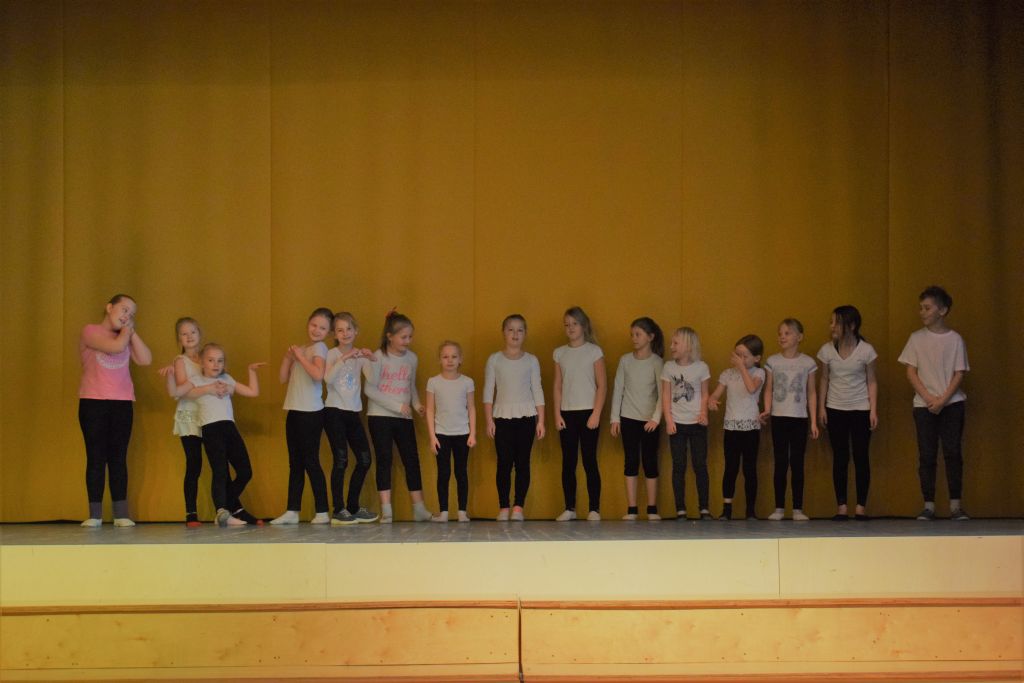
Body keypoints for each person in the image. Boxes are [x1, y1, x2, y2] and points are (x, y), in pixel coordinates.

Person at [168, 344, 265, 526]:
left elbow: (253, 392)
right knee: (220, 472)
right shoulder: (196, 380)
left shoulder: (226, 379)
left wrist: (251, 371)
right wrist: (171, 376)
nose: (216, 364)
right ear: (202, 362)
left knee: (245, 471)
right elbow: (175, 392)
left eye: (220, 360)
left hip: (230, 428)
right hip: (211, 429)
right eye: (211, 360)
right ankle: (221, 511)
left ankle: (227, 503)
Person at [78, 294, 152, 527]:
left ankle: (121, 514)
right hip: (93, 402)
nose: (127, 315)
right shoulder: (90, 331)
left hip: (122, 403)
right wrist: (126, 333)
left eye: (132, 313)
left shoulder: (126, 335)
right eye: (124, 309)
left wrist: (132, 332)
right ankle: (95, 515)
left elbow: (145, 359)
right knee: (96, 457)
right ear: (109, 307)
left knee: (118, 458)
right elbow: (115, 347)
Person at [898, 286, 970, 521]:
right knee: (927, 455)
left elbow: (959, 373)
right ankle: (928, 505)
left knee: (953, 453)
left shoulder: (955, 339)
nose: (922, 312)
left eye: (927, 308)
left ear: (943, 310)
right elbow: (911, 372)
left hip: (952, 404)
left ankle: (955, 506)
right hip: (924, 406)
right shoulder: (916, 338)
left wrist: (943, 400)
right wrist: (929, 399)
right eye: (921, 308)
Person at [365, 309, 434, 523]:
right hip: (380, 416)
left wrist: (417, 405)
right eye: (403, 337)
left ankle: (419, 508)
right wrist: (397, 406)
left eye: (410, 337)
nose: (408, 341)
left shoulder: (412, 358)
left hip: (404, 418)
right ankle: (386, 510)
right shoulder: (377, 357)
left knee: (411, 459)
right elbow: (369, 390)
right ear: (390, 336)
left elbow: (410, 386)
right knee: (384, 459)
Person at [271, 308, 333, 525]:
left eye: (322, 328)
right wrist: (288, 358)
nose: (316, 330)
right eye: (314, 325)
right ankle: (292, 510)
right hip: (294, 410)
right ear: (308, 324)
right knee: (295, 463)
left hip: (311, 413)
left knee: (310, 461)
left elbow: (318, 374)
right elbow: (282, 378)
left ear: (328, 332)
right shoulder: (304, 348)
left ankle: (322, 511)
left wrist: (299, 357)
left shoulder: (320, 347)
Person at [817, 305, 878, 521]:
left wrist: (873, 409)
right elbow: (824, 379)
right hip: (835, 409)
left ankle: (861, 507)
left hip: (861, 409)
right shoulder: (827, 350)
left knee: (861, 457)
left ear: (851, 326)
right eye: (831, 322)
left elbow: (871, 380)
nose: (832, 326)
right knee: (840, 458)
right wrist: (821, 407)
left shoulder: (866, 350)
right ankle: (841, 506)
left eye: (837, 322)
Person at [483, 314, 546, 521]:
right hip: (502, 418)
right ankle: (503, 506)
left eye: (520, 330)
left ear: (525, 334)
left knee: (522, 463)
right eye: (511, 329)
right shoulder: (494, 359)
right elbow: (488, 391)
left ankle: (518, 507)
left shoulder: (531, 360)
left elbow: (537, 390)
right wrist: (489, 420)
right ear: (504, 333)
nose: (515, 334)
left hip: (526, 417)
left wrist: (541, 421)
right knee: (504, 463)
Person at [323, 312, 379, 525]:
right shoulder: (332, 353)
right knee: (341, 460)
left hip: (353, 412)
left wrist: (371, 359)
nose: (345, 333)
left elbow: (373, 379)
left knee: (364, 460)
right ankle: (339, 509)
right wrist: (344, 358)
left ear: (356, 331)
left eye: (349, 329)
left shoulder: (361, 356)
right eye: (340, 330)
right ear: (334, 334)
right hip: (334, 412)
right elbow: (328, 379)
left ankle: (353, 506)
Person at [761, 319, 818, 521]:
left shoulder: (808, 363)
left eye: (787, 333)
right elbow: (768, 388)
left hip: (799, 418)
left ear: (799, 337)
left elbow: (811, 392)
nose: (782, 337)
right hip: (779, 417)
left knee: (797, 463)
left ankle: (797, 508)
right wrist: (767, 409)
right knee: (780, 462)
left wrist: (813, 421)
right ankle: (778, 508)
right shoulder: (773, 361)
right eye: (780, 333)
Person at [553, 306, 606, 521]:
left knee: (589, 460)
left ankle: (594, 508)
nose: (570, 328)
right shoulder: (559, 353)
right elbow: (558, 386)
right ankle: (570, 508)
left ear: (583, 326)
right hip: (567, 413)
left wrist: (596, 414)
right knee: (568, 462)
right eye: (567, 324)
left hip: (588, 413)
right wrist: (557, 414)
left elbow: (602, 386)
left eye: (574, 324)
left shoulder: (594, 351)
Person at [610, 317, 665, 521]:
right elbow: (618, 389)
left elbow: (662, 394)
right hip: (628, 418)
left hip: (650, 421)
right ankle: (632, 508)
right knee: (630, 461)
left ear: (650, 337)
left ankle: (652, 508)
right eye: (632, 334)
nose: (634, 338)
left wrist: (656, 418)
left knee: (650, 461)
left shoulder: (657, 362)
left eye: (638, 334)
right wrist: (615, 418)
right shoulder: (625, 360)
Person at [709, 335, 765, 520]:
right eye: (737, 355)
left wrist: (742, 368)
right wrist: (712, 401)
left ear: (756, 358)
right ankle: (727, 509)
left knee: (749, 469)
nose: (740, 359)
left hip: (750, 428)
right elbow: (716, 394)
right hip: (732, 428)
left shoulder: (759, 373)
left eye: (744, 356)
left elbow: (751, 389)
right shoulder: (727, 374)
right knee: (730, 468)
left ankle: (751, 510)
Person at [160, 317, 207, 527]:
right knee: (194, 463)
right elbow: (182, 390)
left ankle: (228, 508)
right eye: (184, 334)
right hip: (189, 415)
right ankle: (191, 512)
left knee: (218, 462)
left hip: (208, 413)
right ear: (178, 338)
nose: (189, 337)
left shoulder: (207, 357)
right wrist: (207, 388)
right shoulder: (180, 360)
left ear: (199, 334)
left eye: (192, 332)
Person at [660, 327, 711, 521]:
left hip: (697, 424)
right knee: (678, 466)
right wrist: (668, 419)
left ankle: (704, 508)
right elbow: (666, 395)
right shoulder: (668, 367)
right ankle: (680, 509)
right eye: (671, 343)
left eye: (675, 343)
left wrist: (703, 413)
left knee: (700, 465)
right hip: (677, 425)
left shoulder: (702, 367)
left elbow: (704, 394)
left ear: (688, 346)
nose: (671, 346)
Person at [425, 341, 476, 522]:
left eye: (454, 356)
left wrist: (472, 433)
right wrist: (432, 437)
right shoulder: (433, 382)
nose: (450, 360)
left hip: (462, 433)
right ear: (439, 359)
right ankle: (444, 512)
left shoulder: (467, 382)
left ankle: (462, 512)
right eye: (445, 357)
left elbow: (471, 408)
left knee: (461, 472)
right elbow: (430, 410)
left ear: (460, 359)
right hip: (441, 434)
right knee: (444, 473)